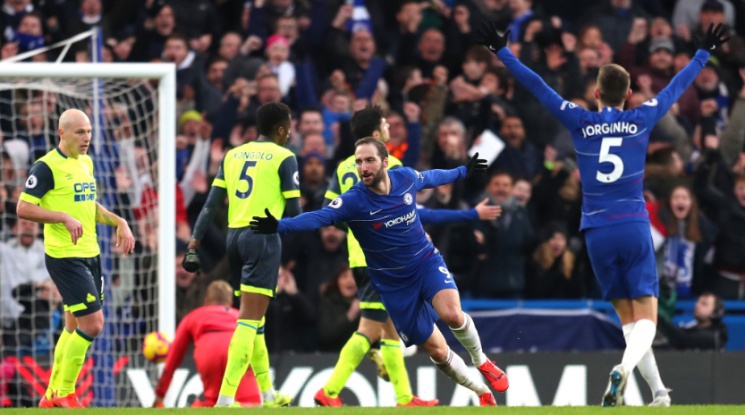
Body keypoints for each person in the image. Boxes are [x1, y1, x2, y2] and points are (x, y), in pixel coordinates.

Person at [473, 20, 729, 407]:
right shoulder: (642, 117)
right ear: (629, 93)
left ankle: (659, 393)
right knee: (647, 319)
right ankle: (623, 369)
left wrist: (503, 52)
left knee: (629, 320)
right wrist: (702, 54)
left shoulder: (579, 120)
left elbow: (538, 87)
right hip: (633, 225)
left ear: (595, 93)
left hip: (596, 231)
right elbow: (675, 89)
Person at [252, 138, 508, 407]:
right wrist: (279, 225)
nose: (363, 167)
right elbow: (317, 217)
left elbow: (432, 177)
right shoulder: (353, 201)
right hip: (394, 286)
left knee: (453, 314)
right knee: (438, 351)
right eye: (358, 162)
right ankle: (481, 391)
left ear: (385, 162)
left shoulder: (405, 178)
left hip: (425, 263)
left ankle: (482, 361)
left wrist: (463, 171)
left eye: (369, 160)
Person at [317, 106, 501, 407]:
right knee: (371, 327)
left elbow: (330, 211)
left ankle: (403, 396)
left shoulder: (343, 166)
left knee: (388, 329)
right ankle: (331, 391)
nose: (389, 126)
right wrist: (469, 215)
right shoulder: (389, 167)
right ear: (376, 134)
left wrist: (361, 225)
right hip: (385, 262)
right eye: (385, 123)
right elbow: (418, 212)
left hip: (359, 258)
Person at [181, 102, 300, 408]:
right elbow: (294, 211)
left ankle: (268, 395)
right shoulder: (285, 157)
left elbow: (211, 204)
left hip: (234, 239)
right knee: (248, 320)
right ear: (281, 129)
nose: (290, 133)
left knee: (255, 319)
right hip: (263, 238)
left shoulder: (233, 155)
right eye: (289, 127)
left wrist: (194, 242)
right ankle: (225, 398)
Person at [16, 109, 136, 408]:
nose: (87, 138)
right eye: (80, 132)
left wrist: (119, 220)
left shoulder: (86, 162)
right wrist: (62, 217)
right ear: (62, 133)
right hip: (65, 257)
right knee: (93, 324)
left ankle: (50, 395)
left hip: (91, 255)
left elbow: (87, 205)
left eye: (89, 131)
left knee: (72, 328)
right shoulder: (46, 167)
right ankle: (66, 393)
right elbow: (23, 208)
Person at [153, 280, 261, 408]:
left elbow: (173, 359)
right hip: (238, 348)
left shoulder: (192, 317)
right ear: (230, 303)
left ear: (206, 301)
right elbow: (259, 351)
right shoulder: (241, 316)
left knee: (212, 401)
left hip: (209, 351)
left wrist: (159, 396)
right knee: (250, 403)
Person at [656, 292, 728, 351]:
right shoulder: (693, 327)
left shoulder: (715, 335)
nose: (697, 305)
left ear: (716, 312)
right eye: (698, 302)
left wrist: (658, 318)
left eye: (704, 304)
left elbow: (682, 339)